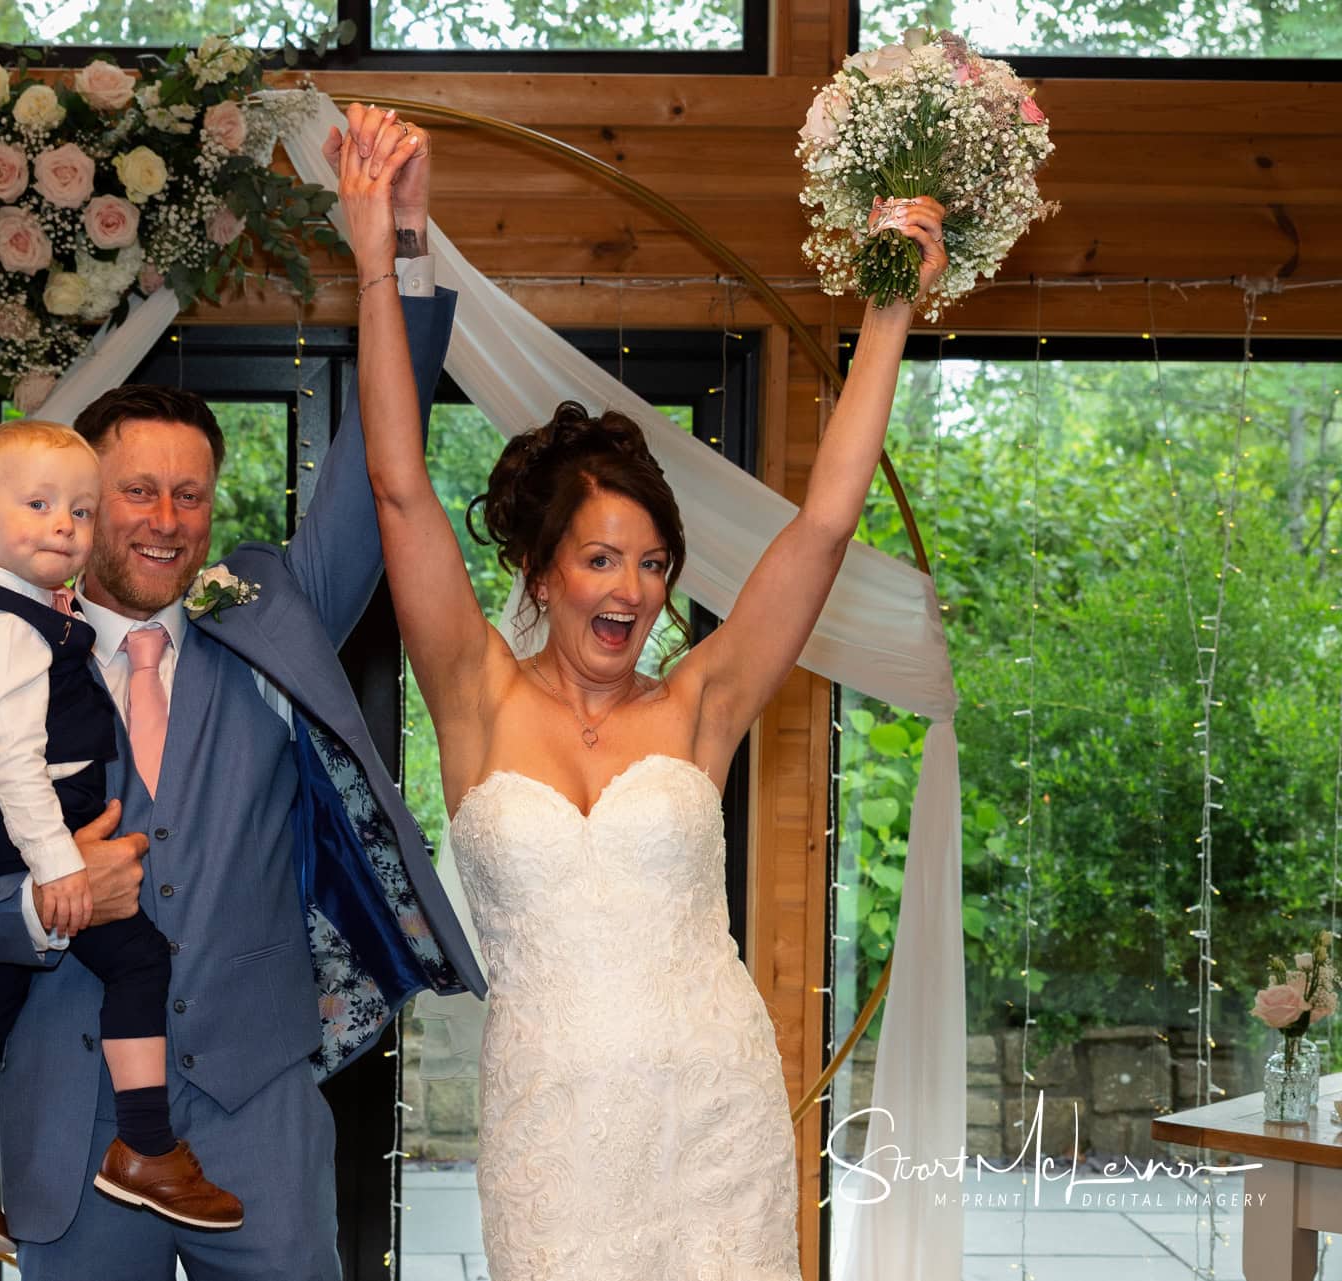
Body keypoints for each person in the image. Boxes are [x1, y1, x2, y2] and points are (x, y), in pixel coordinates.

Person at [0, 106, 485, 1281]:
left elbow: (378, 471)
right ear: (81, 510)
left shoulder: (270, 611)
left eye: (188, 496)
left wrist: (398, 251)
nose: (165, 520)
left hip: (258, 1117)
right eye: (135, 493)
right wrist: (40, 903)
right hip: (72, 1122)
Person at [336, 102, 946, 1280]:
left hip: (716, 1119)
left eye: (655, 563)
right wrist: (384, 257)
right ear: (545, 571)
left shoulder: (698, 707)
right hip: (554, 1137)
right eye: (602, 559)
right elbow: (399, 486)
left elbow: (821, 529)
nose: (632, 589)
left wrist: (888, 312)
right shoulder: (476, 696)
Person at [0, 420, 241, 1253]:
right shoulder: (8, 629)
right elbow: (13, 762)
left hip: (250, 1099)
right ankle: (145, 1145)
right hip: (21, 840)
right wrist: (56, 875)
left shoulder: (23, 612)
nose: (64, 526)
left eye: (77, 511)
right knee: (136, 957)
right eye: (43, 505)